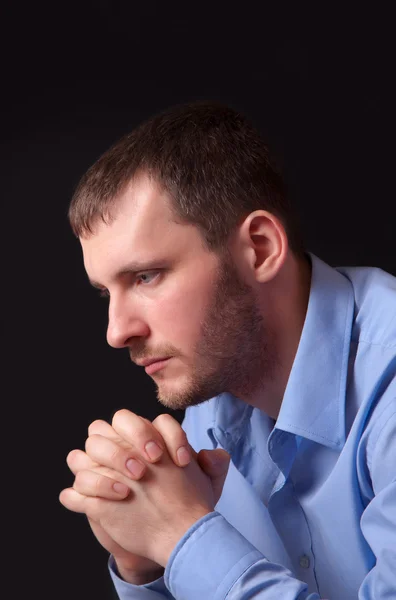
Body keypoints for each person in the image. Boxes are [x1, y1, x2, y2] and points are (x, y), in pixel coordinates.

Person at [59, 101, 396, 599]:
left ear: (259, 248)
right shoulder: (209, 400)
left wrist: (180, 537)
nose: (116, 332)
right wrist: (145, 566)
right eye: (107, 292)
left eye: (146, 276)